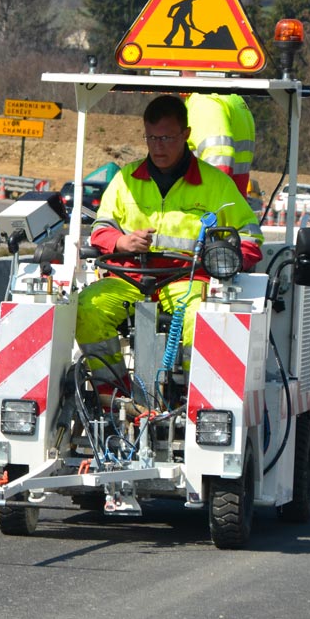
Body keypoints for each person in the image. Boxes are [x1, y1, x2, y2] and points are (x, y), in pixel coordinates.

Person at [75, 94, 263, 394]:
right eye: (151, 137)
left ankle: (192, 398)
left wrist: (224, 257)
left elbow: (251, 237)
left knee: (201, 319)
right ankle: (114, 395)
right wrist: (122, 241)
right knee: (86, 308)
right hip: (129, 277)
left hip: (187, 280)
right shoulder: (126, 180)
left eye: (166, 137)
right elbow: (101, 229)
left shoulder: (217, 185)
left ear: (186, 135)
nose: (157, 146)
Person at [185, 92, 255, 198]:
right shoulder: (233, 98)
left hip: (208, 208)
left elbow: (220, 164)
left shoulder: (205, 102)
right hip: (231, 205)